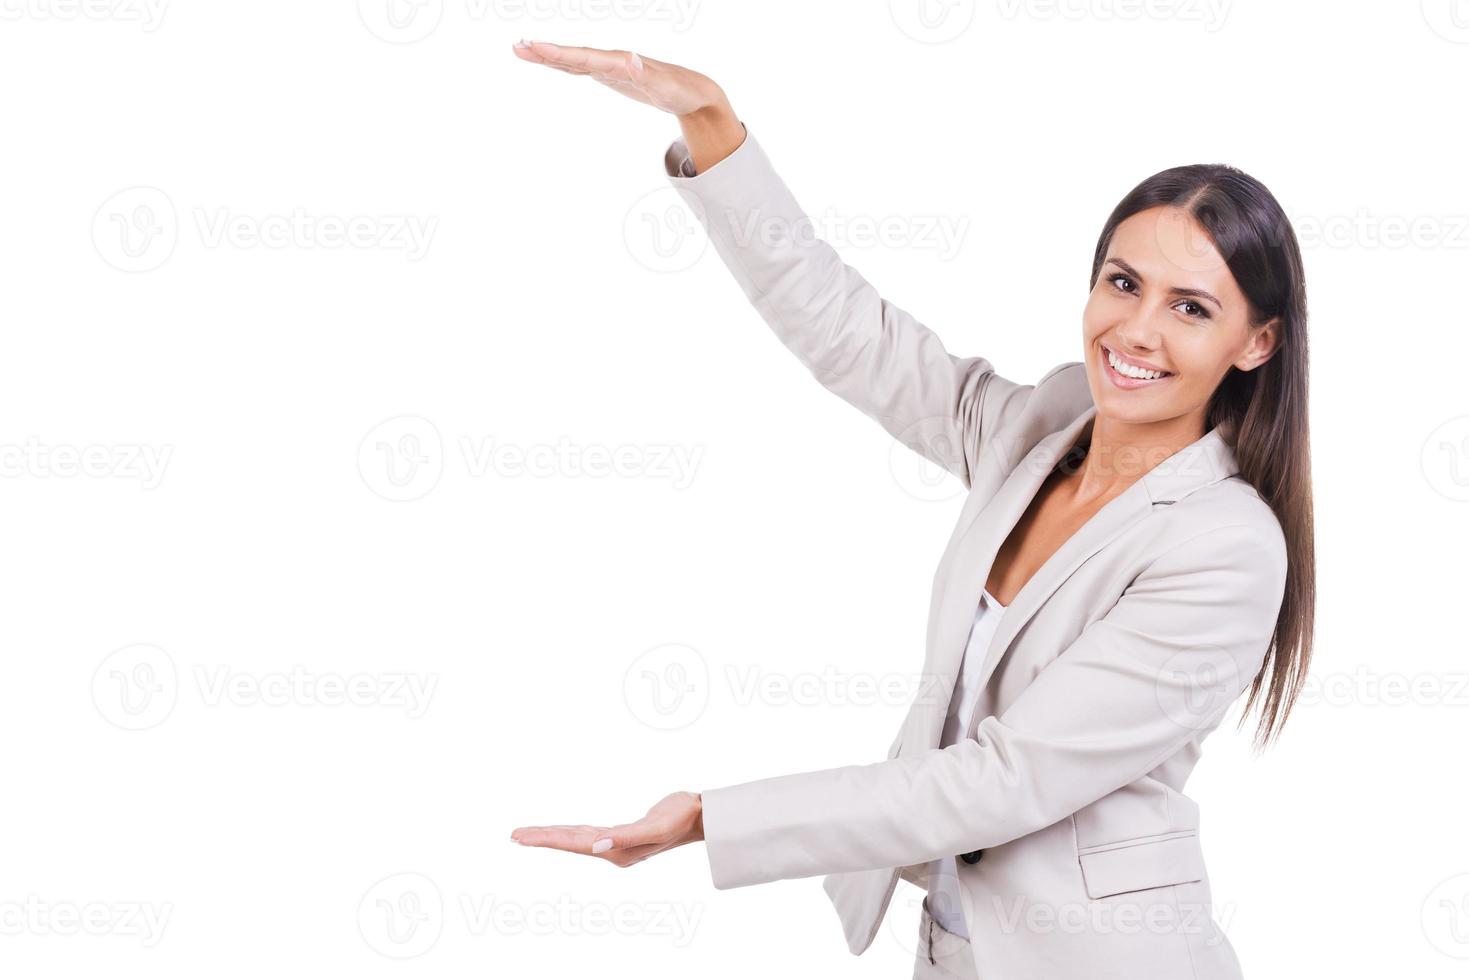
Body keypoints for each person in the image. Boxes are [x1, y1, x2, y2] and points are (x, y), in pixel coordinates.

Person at [508, 40, 1314, 980]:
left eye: (1190, 308)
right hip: (952, 949)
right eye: (1123, 283)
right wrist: (715, 129)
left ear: (1255, 343)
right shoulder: (1042, 425)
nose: (1135, 330)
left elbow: (1003, 781)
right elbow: (852, 336)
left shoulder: (1224, 546)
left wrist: (712, 818)